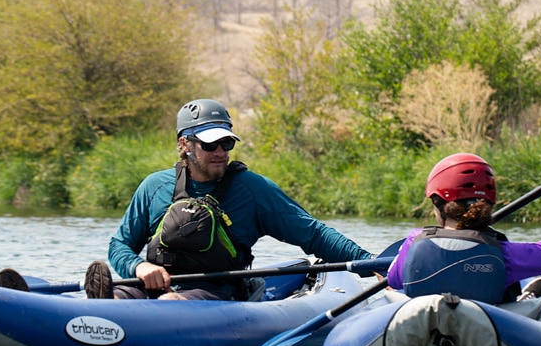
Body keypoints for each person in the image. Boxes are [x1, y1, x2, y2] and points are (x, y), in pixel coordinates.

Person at [82, 98, 372, 300]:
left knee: (171, 303)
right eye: (210, 144)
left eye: (227, 142)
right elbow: (120, 245)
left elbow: (314, 235)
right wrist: (139, 267)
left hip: (217, 294)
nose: (220, 151)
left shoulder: (252, 189)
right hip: (151, 288)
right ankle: (101, 310)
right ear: (184, 144)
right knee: (120, 297)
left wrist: (373, 263)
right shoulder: (155, 186)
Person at [385, 148, 541, 304]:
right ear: (489, 203)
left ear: (438, 203)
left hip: (417, 338)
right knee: (533, 288)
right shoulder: (505, 255)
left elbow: (394, 281)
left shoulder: (413, 242)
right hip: (488, 343)